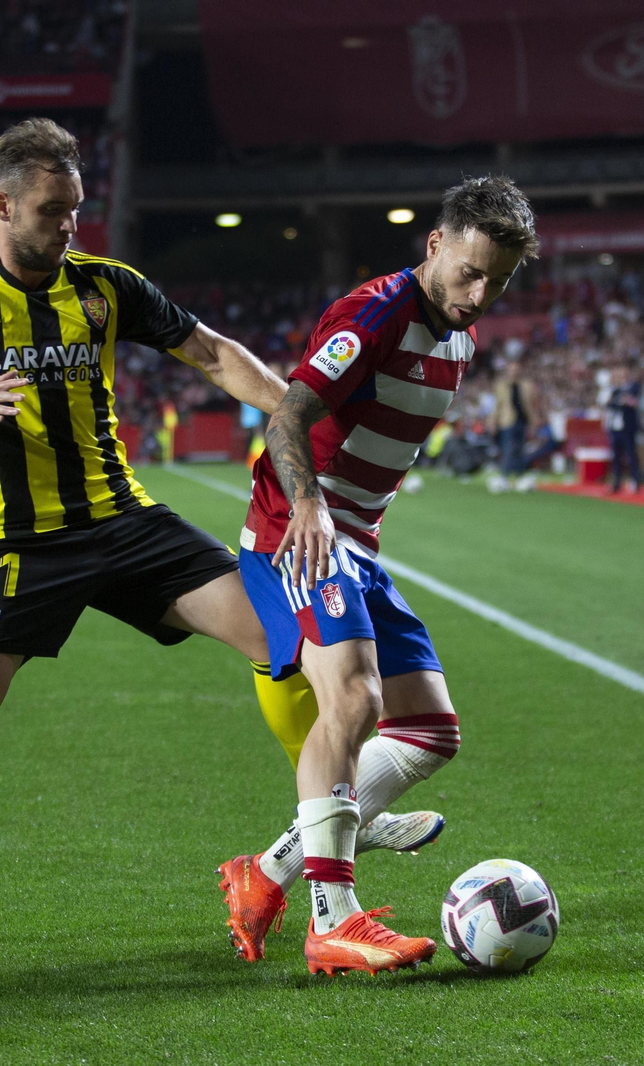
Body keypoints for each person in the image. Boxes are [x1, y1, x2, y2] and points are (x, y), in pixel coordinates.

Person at [0, 118, 366, 957]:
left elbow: (207, 351)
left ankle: (331, 818)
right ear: (4, 204)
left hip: (125, 522)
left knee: (284, 638)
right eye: (53, 212)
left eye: (78, 209)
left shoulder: (105, 283)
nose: (69, 227)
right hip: (20, 542)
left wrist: (296, 410)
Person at [216, 176, 540, 975]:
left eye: (496, 282)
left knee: (431, 731)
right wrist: (309, 509)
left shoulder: (460, 336)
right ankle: (336, 919)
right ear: (435, 245)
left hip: (355, 541)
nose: (477, 294)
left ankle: (266, 873)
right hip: (299, 532)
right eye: (467, 272)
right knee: (354, 701)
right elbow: (289, 414)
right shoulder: (375, 315)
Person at [492, 356, 537, 491]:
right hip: (507, 421)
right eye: (512, 369)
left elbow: (530, 404)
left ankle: (519, 476)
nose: (514, 371)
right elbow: (498, 405)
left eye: (516, 369)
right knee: (508, 449)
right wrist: (493, 420)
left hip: (522, 420)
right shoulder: (501, 385)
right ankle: (504, 476)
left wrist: (534, 420)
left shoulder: (526, 385)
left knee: (521, 449)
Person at [602, 376, 640, 493]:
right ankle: (617, 482)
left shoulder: (634, 387)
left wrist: (622, 402)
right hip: (615, 429)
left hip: (627, 429)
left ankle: (635, 480)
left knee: (631, 455)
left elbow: (631, 403)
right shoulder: (615, 391)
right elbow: (609, 404)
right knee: (616, 457)